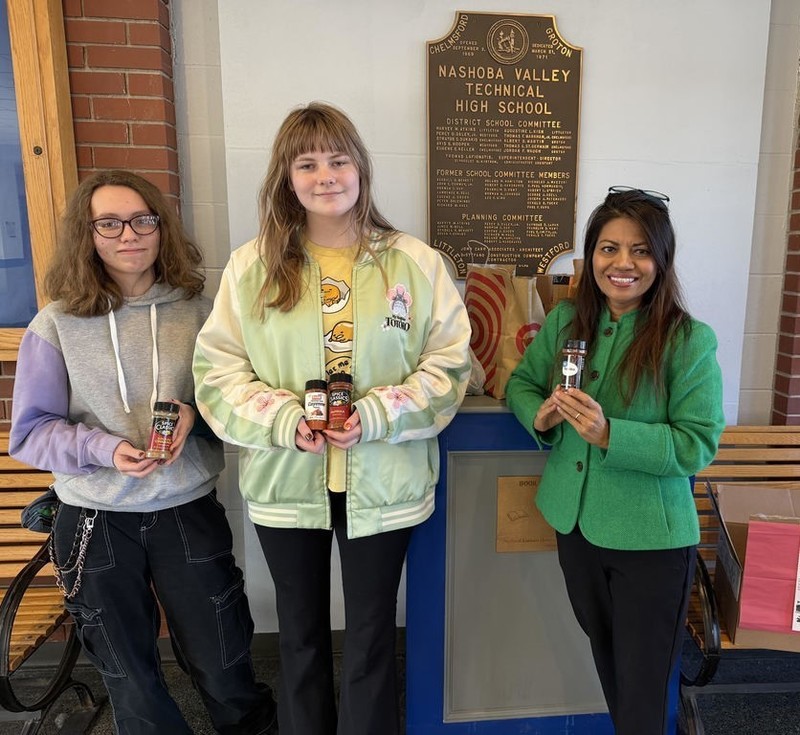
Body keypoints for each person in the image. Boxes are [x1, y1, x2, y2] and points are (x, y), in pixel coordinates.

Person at [193, 102, 471, 735]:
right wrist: (282, 419)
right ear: (286, 179)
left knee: (372, 639)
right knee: (300, 637)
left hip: (386, 481)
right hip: (288, 482)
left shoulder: (415, 264)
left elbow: (451, 365)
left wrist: (375, 415)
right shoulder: (252, 268)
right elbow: (217, 370)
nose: (326, 176)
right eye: (308, 163)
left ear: (361, 169)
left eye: (339, 160)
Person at [9, 170, 278, 735]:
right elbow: (32, 433)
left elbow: (241, 400)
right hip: (94, 521)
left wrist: (197, 417)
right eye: (108, 222)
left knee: (223, 657)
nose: (127, 234)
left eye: (141, 219)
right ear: (88, 234)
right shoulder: (54, 325)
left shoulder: (203, 313)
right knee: (128, 675)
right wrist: (105, 449)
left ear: (161, 226)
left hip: (186, 511)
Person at [505, 187, 725, 735]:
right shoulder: (564, 324)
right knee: (610, 667)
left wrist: (610, 434)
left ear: (662, 259)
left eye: (640, 250)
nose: (622, 263)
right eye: (608, 248)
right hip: (575, 528)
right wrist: (542, 416)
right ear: (591, 255)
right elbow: (521, 384)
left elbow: (696, 444)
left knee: (644, 686)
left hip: (651, 540)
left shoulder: (689, 340)